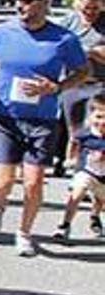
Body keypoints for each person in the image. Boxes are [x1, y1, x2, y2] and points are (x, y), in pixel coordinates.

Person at [0, 0, 90, 256]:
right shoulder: (3, 32)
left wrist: (57, 87)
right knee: (2, 182)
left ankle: (24, 233)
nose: (21, 6)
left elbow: (83, 71)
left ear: (45, 4)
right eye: (18, 0)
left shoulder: (64, 39)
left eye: (28, 1)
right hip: (5, 116)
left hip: (42, 119)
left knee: (33, 181)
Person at [57, 0, 104, 172]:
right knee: (74, 130)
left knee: (94, 128)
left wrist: (90, 52)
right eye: (86, 8)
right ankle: (67, 161)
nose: (90, 12)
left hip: (99, 84)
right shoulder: (69, 22)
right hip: (72, 84)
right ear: (79, 4)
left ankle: (87, 171)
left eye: (95, 9)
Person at [52, 95, 105, 239]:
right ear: (91, 117)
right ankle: (65, 225)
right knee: (77, 193)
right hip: (86, 171)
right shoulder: (85, 134)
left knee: (100, 201)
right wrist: (70, 158)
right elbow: (73, 141)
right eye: (98, 117)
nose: (102, 122)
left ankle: (95, 217)